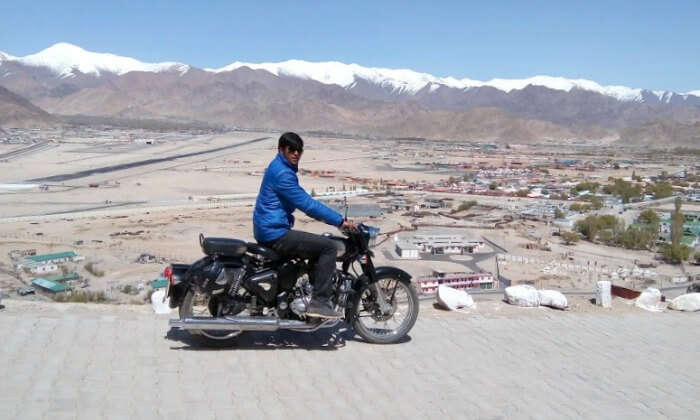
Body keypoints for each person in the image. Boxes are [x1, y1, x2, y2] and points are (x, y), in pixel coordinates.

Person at [253, 132, 356, 319]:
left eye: (299, 150)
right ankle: (320, 302)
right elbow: (307, 204)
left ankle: (306, 291)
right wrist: (339, 221)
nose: (296, 153)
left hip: (269, 228)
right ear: (281, 149)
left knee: (315, 246)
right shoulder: (283, 173)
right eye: (291, 149)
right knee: (328, 247)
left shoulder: (278, 167)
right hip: (274, 232)